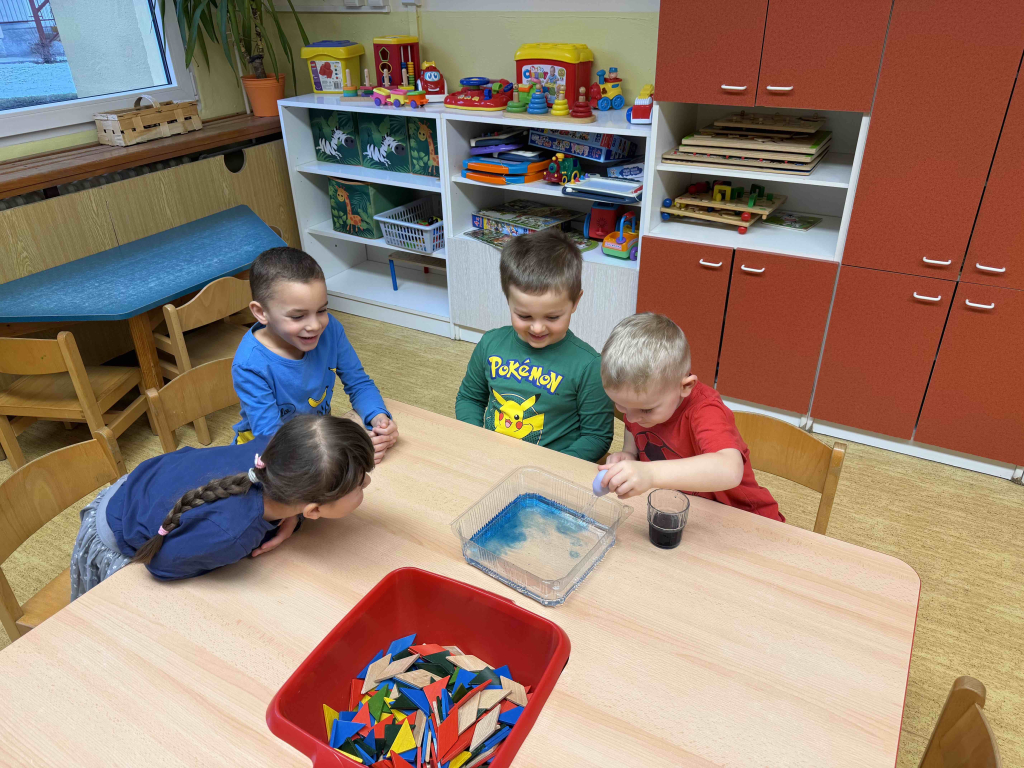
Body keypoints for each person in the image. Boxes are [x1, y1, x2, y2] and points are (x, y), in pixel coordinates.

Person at [69, 415, 375, 598]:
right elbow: (161, 566)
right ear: (313, 510)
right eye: (359, 484)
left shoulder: (278, 452)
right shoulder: (230, 534)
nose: (368, 483)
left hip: (145, 484)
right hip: (113, 530)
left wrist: (291, 519)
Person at [597, 313, 782, 520]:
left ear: (685, 387)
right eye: (622, 406)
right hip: (687, 511)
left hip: (743, 515)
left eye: (646, 410)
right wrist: (629, 453)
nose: (631, 418)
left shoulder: (705, 410)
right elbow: (632, 425)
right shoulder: (641, 405)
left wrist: (649, 473)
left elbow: (730, 469)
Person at [455, 229, 613, 461]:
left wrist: (552, 467)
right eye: (524, 316)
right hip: (490, 458)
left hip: (550, 469)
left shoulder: (589, 366)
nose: (537, 328)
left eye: (552, 317)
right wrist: (478, 439)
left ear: (575, 302)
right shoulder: (490, 344)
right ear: (508, 299)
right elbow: (470, 399)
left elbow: (596, 437)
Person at [232, 247, 397, 463]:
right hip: (265, 452)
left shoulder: (331, 329)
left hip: (316, 439)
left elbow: (359, 383)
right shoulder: (249, 365)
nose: (315, 326)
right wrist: (343, 448)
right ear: (261, 312)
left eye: (321, 310)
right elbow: (272, 438)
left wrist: (380, 421)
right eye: (298, 316)